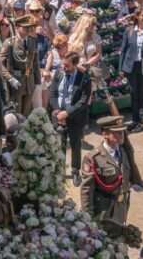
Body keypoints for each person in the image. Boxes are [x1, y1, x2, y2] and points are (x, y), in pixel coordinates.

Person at [80, 116, 143, 226]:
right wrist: (87, 216)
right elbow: (86, 189)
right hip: (103, 211)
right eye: (117, 133)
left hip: (121, 207)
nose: (121, 135)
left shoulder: (124, 152)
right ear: (105, 134)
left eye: (122, 132)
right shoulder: (93, 158)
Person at [48, 51, 92, 187]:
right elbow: (53, 93)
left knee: (75, 144)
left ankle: (75, 171)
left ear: (75, 64)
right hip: (58, 115)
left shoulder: (84, 78)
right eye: (63, 65)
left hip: (75, 117)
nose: (64, 68)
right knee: (59, 145)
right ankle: (60, 172)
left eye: (67, 66)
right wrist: (56, 111)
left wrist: (67, 113)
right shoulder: (59, 73)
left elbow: (83, 101)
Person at [0, 14, 40, 116]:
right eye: (25, 27)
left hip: (29, 82)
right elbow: (0, 64)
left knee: (26, 114)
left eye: (29, 28)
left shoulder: (32, 41)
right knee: (17, 114)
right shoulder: (9, 43)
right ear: (17, 27)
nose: (27, 30)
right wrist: (10, 78)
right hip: (16, 81)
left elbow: (35, 62)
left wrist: (37, 81)